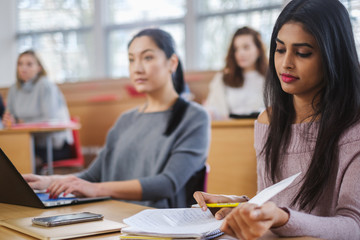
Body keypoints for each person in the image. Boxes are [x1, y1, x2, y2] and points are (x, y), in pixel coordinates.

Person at [194, 0, 360, 239]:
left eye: (302, 53)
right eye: (280, 50)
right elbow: (273, 200)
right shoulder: (268, 120)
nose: (286, 64)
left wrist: (282, 217)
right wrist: (237, 204)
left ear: (334, 55)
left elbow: (354, 226)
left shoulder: (353, 127)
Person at [23, 28, 210, 208]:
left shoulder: (194, 117)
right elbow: (93, 176)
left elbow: (167, 183)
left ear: (172, 62)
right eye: (131, 60)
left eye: (147, 57)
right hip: (111, 217)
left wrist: (96, 190)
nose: (137, 68)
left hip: (158, 225)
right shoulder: (126, 120)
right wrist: (47, 181)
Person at [2, 50, 73, 168]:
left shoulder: (46, 86)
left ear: (39, 68)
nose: (23, 68)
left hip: (52, 145)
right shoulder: (14, 89)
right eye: (20, 64)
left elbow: (49, 119)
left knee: (24, 160)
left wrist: (21, 123)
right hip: (26, 142)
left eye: (29, 64)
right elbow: (11, 116)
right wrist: (8, 120)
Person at [204, 27, 268, 120]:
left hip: (261, 129)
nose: (240, 53)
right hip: (230, 131)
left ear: (258, 50)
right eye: (236, 49)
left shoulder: (270, 79)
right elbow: (214, 109)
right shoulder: (223, 79)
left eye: (246, 47)